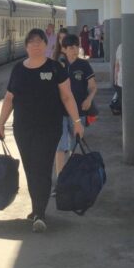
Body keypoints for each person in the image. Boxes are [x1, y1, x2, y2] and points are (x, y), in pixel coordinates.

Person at [0, 28, 83, 232]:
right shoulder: (18, 69)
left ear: (47, 45)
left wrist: (77, 121)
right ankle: (37, 206)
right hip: (23, 129)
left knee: (43, 167)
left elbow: (67, 96)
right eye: (31, 42)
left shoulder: (55, 68)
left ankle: (39, 214)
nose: (35, 45)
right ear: (26, 46)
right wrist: (0, 124)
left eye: (39, 41)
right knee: (30, 167)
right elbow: (9, 99)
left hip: (49, 127)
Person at [56, 34, 97, 178]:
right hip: (60, 113)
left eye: (77, 47)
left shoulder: (84, 65)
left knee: (76, 146)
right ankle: (61, 180)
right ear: (64, 49)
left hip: (79, 113)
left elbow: (93, 86)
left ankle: (74, 179)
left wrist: (89, 99)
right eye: (71, 47)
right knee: (60, 148)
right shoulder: (58, 66)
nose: (75, 50)